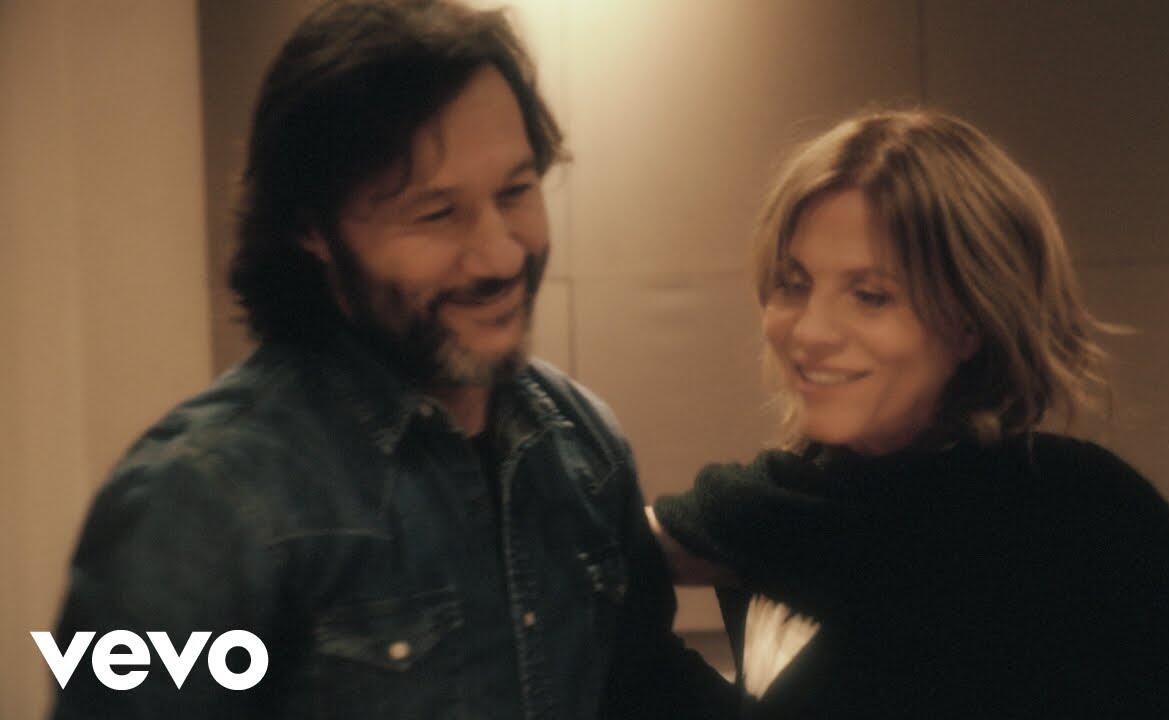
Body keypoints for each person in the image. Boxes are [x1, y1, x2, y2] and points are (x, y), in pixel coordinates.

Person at [48, 1, 732, 718]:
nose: (501, 255)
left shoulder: (583, 445)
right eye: (437, 214)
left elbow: (642, 688)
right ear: (313, 229)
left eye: (516, 191)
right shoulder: (192, 504)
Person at [649, 110, 1169, 718]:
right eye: (794, 284)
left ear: (970, 319)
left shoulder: (1078, 519)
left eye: (870, 296)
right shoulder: (770, 509)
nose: (811, 331)